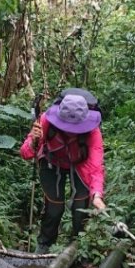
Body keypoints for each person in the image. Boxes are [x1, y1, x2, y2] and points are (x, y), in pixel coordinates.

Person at [20, 88, 106, 253]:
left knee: (81, 206)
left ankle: (76, 244)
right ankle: (45, 243)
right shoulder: (45, 121)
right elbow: (26, 153)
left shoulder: (93, 132)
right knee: (54, 207)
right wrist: (33, 141)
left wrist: (97, 195)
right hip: (52, 162)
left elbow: (96, 166)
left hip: (80, 165)